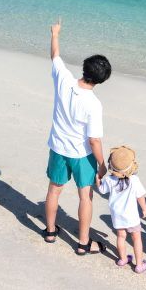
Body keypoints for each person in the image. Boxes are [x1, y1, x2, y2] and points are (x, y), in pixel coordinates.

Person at [42, 18, 112, 256]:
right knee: (86, 196)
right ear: (102, 80)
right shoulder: (94, 104)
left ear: (84, 68)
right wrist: (102, 166)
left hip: (59, 147)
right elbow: (94, 140)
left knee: (54, 189)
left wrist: (55, 34)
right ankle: (83, 243)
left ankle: (50, 231)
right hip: (82, 154)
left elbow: (55, 56)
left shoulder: (64, 80)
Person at [97, 145, 146, 273]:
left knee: (121, 236)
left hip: (117, 215)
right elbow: (140, 196)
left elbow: (102, 190)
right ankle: (138, 265)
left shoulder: (109, 180)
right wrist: (144, 209)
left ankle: (123, 259)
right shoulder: (134, 180)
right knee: (136, 238)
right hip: (131, 216)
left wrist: (98, 179)